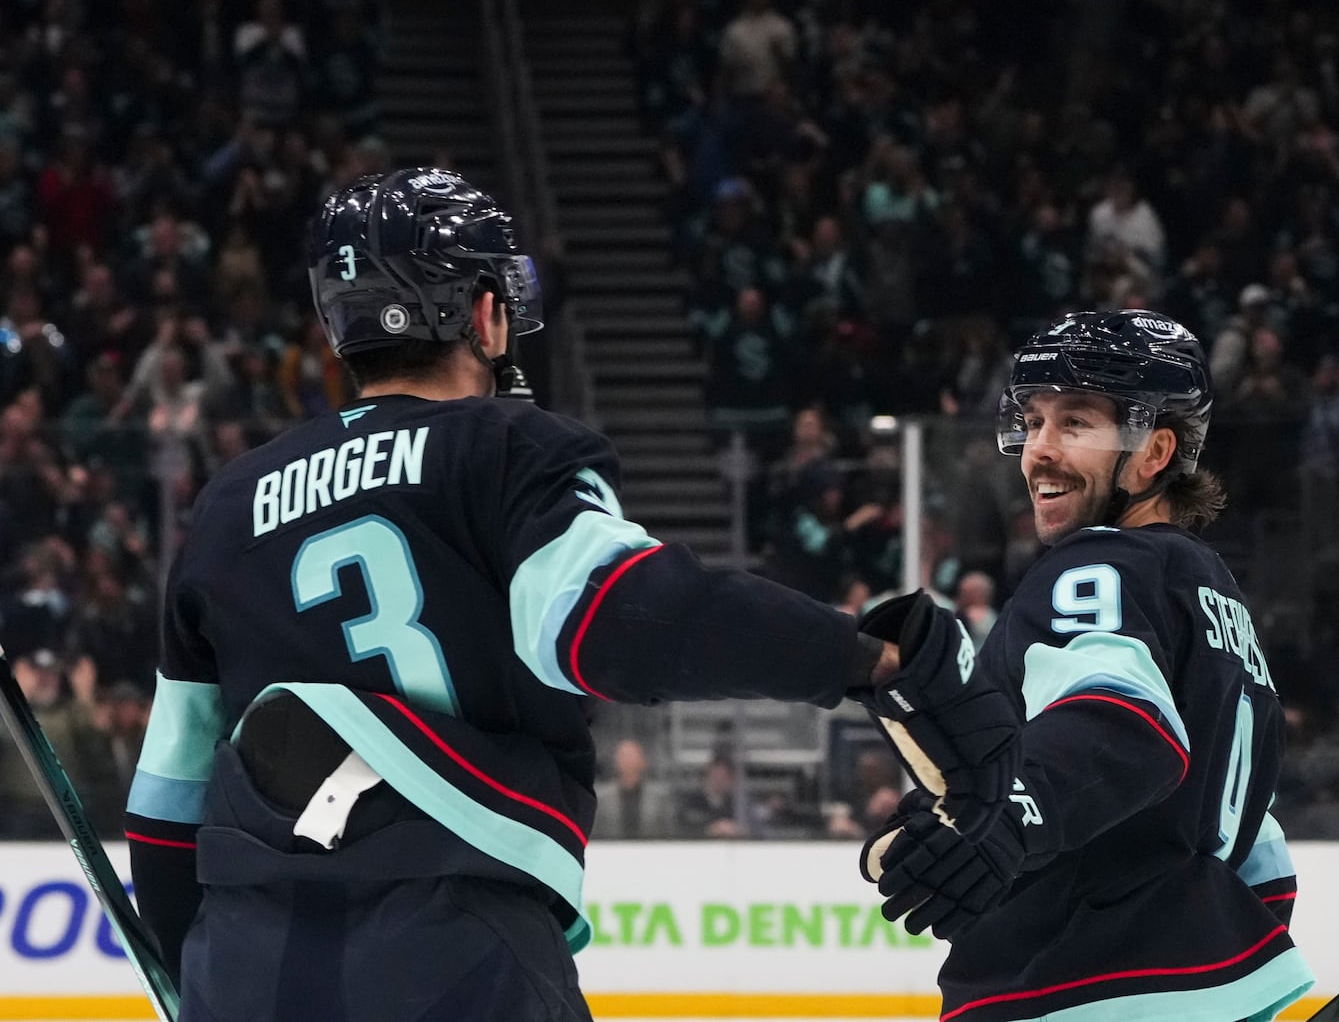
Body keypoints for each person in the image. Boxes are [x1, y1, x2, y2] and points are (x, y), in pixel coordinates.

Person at [124, 169, 1020, 1021]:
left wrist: (194, 969)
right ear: (484, 310)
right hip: (450, 942)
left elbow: (167, 807)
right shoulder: (505, 447)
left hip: (246, 962)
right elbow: (625, 619)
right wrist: (866, 657)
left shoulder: (227, 505)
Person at [860, 310, 1315, 1022]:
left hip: (1078, 980)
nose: (1039, 449)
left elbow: (1120, 723)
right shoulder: (1208, 590)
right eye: (1033, 421)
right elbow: (1258, 845)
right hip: (1206, 980)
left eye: (1074, 423)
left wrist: (1005, 816)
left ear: (1154, 451)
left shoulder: (1098, 564)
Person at [590, 738, 673, 840]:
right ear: (616, 761)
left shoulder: (660, 798)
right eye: (624, 756)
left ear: (643, 761)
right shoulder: (601, 798)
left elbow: (668, 832)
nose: (629, 761)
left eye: (633, 756)